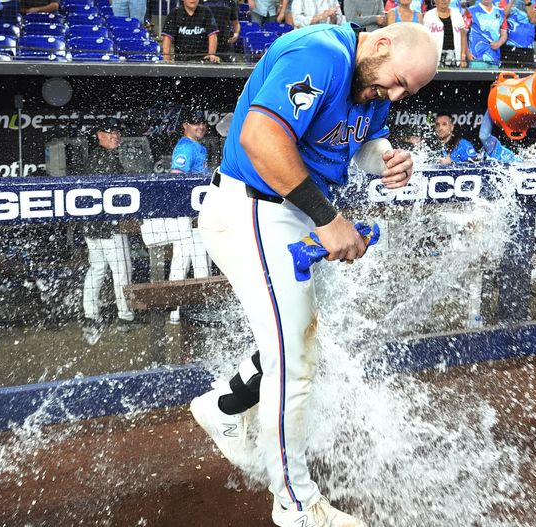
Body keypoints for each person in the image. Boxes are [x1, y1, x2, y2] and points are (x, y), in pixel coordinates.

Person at [189, 22, 439, 527]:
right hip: (255, 208)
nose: (392, 94)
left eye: (403, 92)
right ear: (381, 43)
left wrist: (386, 160)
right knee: (295, 362)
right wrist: (328, 220)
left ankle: (223, 405)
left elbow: (359, 140)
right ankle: (296, 506)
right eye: (395, 82)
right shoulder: (322, 52)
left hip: (290, 213)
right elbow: (261, 138)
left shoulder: (373, 85)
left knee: (295, 343)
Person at [81, 118, 141, 343]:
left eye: (117, 132)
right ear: (99, 135)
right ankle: (125, 317)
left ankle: (90, 315)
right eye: (110, 132)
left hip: (92, 226)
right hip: (108, 227)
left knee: (96, 269)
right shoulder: (105, 159)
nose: (115, 136)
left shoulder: (97, 157)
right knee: (122, 270)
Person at [168, 109, 212, 324]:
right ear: (185, 125)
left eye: (202, 123)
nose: (200, 127)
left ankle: (178, 310)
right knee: (191, 262)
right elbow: (176, 179)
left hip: (196, 213)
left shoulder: (199, 147)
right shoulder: (186, 146)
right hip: (187, 215)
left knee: (186, 261)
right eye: (195, 123)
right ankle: (193, 307)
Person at [422, 0, 468, 68]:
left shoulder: (457, 14)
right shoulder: (428, 16)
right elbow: (425, 39)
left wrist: (463, 58)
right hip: (434, 60)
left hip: (455, 59)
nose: (443, 1)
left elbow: (463, 37)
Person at [498, 0, 536, 68]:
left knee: (526, 76)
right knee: (507, 75)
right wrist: (511, 1)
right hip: (508, 46)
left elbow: (533, 20)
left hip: (527, 46)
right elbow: (502, 16)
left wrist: (527, 2)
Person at [467, 0, 508, 68]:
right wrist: (467, 53)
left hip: (494, 59)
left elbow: (504, 33)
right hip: (476, 59)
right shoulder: (470, 11)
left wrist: (499, 43)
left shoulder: (500, 12)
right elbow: (463, 34)